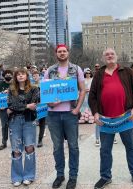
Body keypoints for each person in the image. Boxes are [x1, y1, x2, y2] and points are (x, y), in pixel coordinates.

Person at [88, 48, 133, 189]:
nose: (109, 56)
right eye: (106, 54)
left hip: (125, 117)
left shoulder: (127, 72)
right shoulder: (99, 74)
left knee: (131, 147)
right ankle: (105, 177)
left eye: (112, 54)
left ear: (116, 56)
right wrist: (95, 113)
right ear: (103, 58)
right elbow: (92, 96)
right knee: (105, 150)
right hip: (105, 120)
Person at [44, 44, 86, 189]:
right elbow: (45, 93)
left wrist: (78, 108)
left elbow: (82, 90)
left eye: (64, 51)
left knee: (73, 146)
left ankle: (73, 176)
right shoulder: (50, 71)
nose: (62, 53)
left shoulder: (76, 69)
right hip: (53, 115)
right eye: (59, 51)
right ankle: (60, 174)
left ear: (68, 52)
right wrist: (51, 104)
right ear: (56, 53)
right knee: (57, 147)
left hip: (70, 113)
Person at [7, 68, 39, 186]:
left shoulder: (34, 89)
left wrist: (17, 107)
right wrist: (26, 106)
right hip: (14, 121)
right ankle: (16, 176)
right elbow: (11, 105)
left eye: (23, 74)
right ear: (15, 77)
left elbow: (34, 104)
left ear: (27, 76)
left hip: (29, 120)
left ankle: (29, 175)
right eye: (18, 75)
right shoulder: (11, 90)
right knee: (16, 149)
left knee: (29, 147)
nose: (20, 76)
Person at [0, 70, 13, 151]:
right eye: (7, 74)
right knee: (4, 126)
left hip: (14, 108)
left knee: (14, 125)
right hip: (3, 109)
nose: (8, 75)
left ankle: (15, 142)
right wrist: (0, 106)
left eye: (10, 74)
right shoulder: (0, 85)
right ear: (4, 75)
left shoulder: (15, 84)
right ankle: (4, 142)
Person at [32, 70, 46, 147]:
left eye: (36, 76)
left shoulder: (43, 84)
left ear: (39, 76)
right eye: (33, 76)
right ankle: (31, 139)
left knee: (42, 123)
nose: (35, 77)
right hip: (33, 105)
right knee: (32, 122)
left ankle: (40, 140)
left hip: (42, 105)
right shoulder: (31, 85)